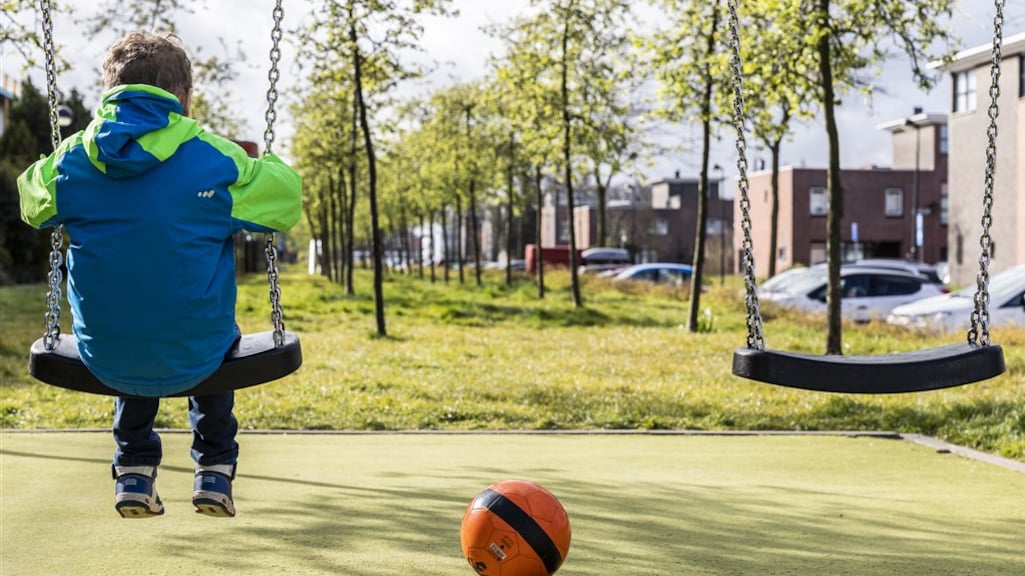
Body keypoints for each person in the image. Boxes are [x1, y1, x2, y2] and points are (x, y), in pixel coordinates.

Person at [18, 31, 302, 519]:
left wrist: (55, 165)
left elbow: (31, 202)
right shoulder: (214, 158)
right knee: (209, 334)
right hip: (199, 350)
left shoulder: (74, 159)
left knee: (129, 329)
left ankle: (133, 469)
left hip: (106, 353)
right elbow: (285, 202)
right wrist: (268, 165)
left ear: (110, 91)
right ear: (184, 97)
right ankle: (214, 466)